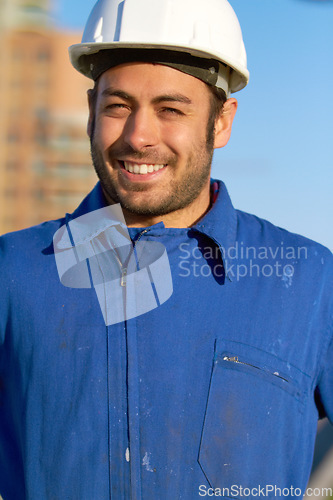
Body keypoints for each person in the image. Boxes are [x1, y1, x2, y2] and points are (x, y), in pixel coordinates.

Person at [0, 0, 332, 498]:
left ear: (221, 123)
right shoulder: (13, 272)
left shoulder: (309, 279)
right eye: (118, 106)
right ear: (91, 111)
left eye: (171, 110)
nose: (139, 137)